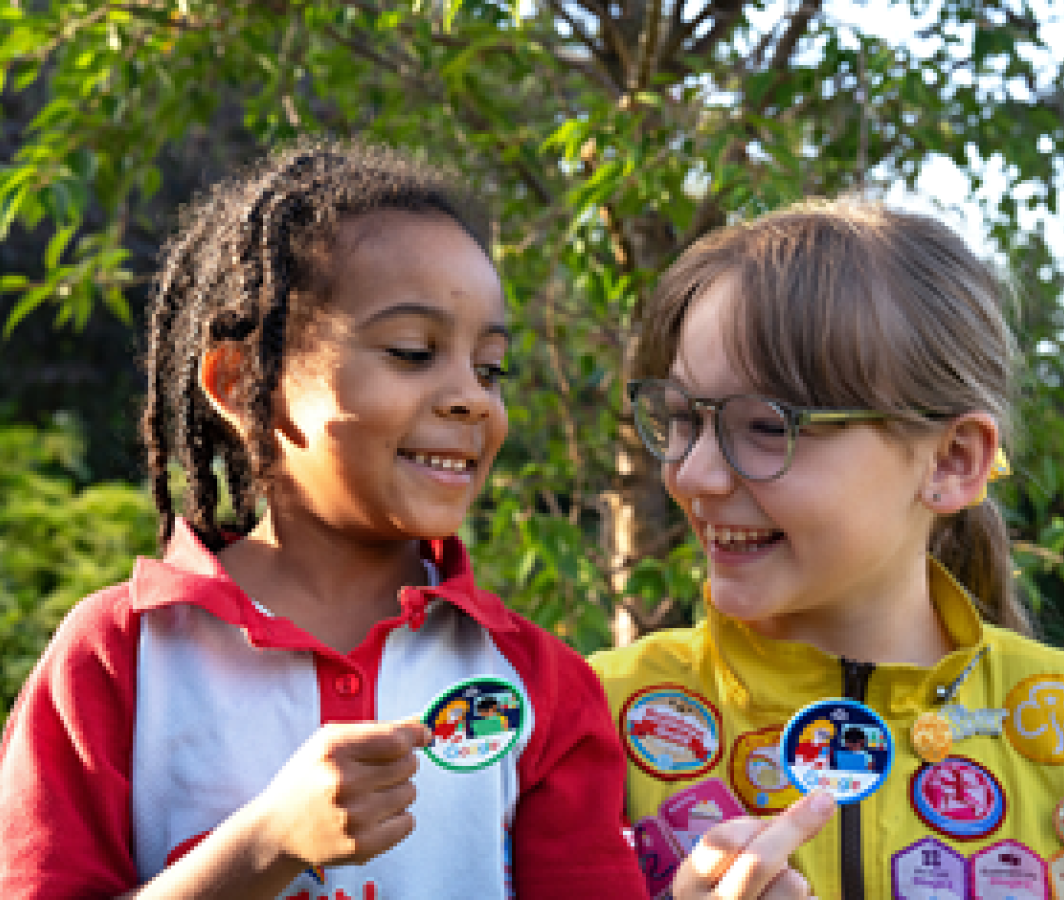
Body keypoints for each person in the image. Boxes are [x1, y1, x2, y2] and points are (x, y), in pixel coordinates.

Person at [0, 140, 648, 900]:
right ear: (242, 383)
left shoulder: (543, 685)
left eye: (491, 366)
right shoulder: (116, 659)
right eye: (413, 352)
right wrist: (263, 846)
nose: (472, 397)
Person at [590, 198, 1064, 899]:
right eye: (681, 418)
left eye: (765, 426)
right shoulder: (600, 716)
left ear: (951, 462)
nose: (694, 473)